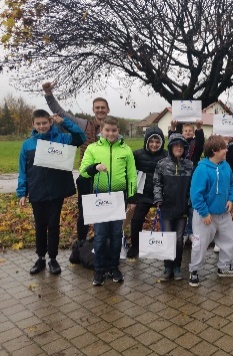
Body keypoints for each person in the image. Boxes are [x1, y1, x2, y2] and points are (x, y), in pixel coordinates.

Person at [17, 110, 86, 275]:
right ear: (33, 125)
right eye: (38, 123)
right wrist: (22, 192)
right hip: (36, 190)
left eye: (45, 123)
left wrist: (64, 122)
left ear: (50, 122)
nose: (42, 126)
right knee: (40, 226)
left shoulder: (62, 138)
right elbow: (23, 170)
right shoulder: (27, 144)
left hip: (56, 191)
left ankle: (52, 259)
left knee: (54, 225)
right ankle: (41, 258)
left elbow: (80, 137)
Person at [43, 81, 110, 242]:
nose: (100, 110)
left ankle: (103, 244)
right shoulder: (83, 124)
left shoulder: (112, 129)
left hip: (107, 178)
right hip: (87, 177)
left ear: (107, 110)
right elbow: (61, 113)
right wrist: (48, 94)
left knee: (106, 213)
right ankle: (81, 245)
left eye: (103, 107)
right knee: (84, 214)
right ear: (93, 110)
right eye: (97, 107)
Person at [79, 117, 137, 286]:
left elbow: (132, 175)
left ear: (118, 131)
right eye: (107, 130)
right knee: (100, 235)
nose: (111, 133)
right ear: (101, 131)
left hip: (118, 199)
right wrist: (94, 167)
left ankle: (113, 267)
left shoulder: (126, 150)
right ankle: (99, 270)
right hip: (100, 198)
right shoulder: (92, 148)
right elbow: (83, 172)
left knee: (116, 234)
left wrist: (132, 197)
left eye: (114, 130)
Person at [189, 135, 233, 287]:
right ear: (214, 151)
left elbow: (231, 184)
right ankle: (194, 270)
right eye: (223, 148)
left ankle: (224, 267)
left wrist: (231, 199)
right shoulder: (202, 169)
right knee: (200, 244)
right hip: (205, 216)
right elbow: (196, 194)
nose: (226, 150)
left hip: (223, 214)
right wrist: (204, 213)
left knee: (229, 240)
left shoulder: (226, 166)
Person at [153, 134, 193, 281]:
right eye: (176, 145)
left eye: (182, 146)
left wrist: (189, 202)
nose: (179, 148)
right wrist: (158, 199)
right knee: (168, 238)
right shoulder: (162, 164)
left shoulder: (189, 165)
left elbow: (192, 187)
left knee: (178, 240)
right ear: (170, 147)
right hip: (167, 208)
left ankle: (177, 266)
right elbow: (157, 183)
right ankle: (167, 267)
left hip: (182, 209)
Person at [126, 127, 168, 258]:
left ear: (161, 143)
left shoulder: (167, 155)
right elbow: (129, 173)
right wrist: (131, 197)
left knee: (168, 221)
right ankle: (135, 246)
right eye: (151, 141)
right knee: (136, 220)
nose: (154, 144)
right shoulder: (137, 155)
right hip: (143, 194)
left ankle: (169, 245)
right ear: (146, 141)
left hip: (161, 195)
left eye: (157, 141)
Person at [169, 120, 205, 240]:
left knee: (192, 204)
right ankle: (183, 232)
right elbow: (171, 141)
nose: (188, 132)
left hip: (194, 175)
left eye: (190, 131)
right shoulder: (179, 144)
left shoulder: (196, 143)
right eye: (185, 131)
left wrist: (199, 129)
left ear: (193, 132)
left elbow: (200, 143)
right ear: (182, 132)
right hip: (181, 176)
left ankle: (191, 231)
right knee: (182, 203)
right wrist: (172, 128)